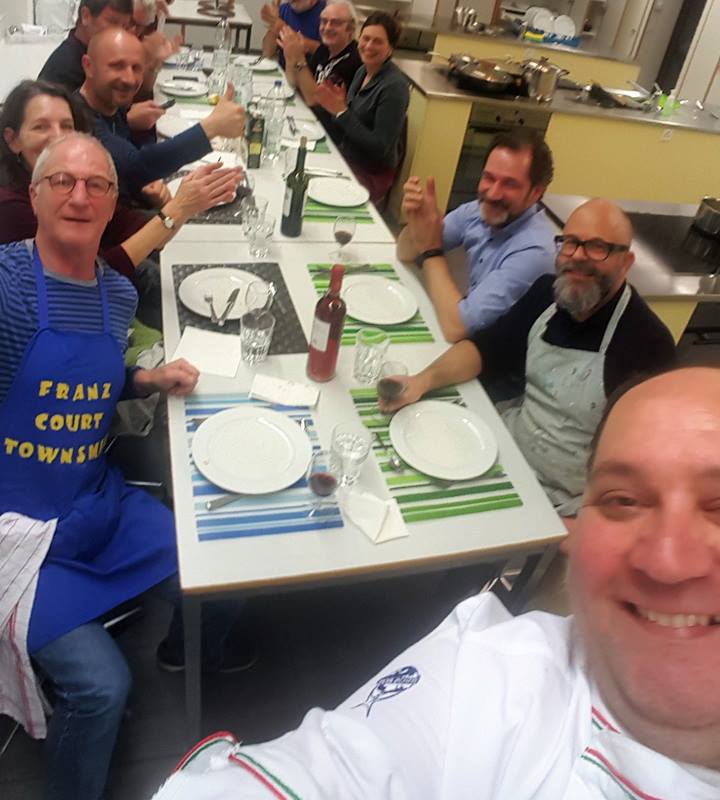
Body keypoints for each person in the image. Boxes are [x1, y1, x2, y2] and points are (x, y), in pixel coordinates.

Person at [151, 366, 720, 799]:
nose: (668, 560)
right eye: (623, 500)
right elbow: (340, 765)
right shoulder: (495, 664)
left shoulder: (634, 337)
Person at [0, 132, 199, 800]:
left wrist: (146, 379)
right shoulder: (6, 286)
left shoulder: (116, 295)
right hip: (16, 534)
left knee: (211, 576)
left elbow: (96, 379)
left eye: (97, 185)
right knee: (103, 686)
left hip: (94, 500)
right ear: (34, 195)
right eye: (62, 181)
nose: (79, 197)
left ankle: (184, 665)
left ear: (115, 204)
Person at [387, 199, 676, 516]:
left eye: (598, 248)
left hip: (566, 503)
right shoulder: (546, 293)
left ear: (626, 262)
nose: (578, 256)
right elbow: (486, 349)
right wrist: (423, 380)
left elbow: (645, 472)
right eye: (570, 243)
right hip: (504, 450)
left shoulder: (648, 344)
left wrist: (577, 528)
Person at [0, 80, 242, 284]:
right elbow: (86, 282)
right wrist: (177, 209)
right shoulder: (11, 209)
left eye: (66, 126)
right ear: (12, 140)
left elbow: (133, 227)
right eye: (41, 127)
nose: (57, 137)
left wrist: (185, 206)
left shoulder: (79, 178)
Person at [396, 130, 556, 342]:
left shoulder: (536, 252)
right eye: (489, 178)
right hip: (473, 332)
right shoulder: (477, 210)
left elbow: (456, 328)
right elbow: (405, 253)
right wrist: (416, 223)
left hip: (504, 352)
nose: (493, 193)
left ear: (536, 193)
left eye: (510, 184)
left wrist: (431, 250)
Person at [76, 28, 246, 200]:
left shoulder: (110, 103)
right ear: (88, 66)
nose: (129, 78)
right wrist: (211, 127)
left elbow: (135, 154)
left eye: (136, 68)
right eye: (117, 66)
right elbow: (136, 166)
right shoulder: (77, 118)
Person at [314, 11, 409, 203]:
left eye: (378, 41)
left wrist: (341, 111)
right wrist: (335, 107)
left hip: (371, 172)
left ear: (391, 48)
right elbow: (347, 122)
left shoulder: (394, 87)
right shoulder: (362, 71)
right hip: (348, 157)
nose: (368, 46)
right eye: (365, 38)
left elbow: (379, 147)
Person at [38, 0, 133, 92]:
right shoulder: (64, 68)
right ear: (85, 16)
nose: (120, 33)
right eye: (113, 22)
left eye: (125, 27)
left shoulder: (96, 54)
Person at [279, 0, 362, 123]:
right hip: (309, 117)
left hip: (328, 126)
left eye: (335, 23)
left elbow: (314, 100)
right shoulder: (325, 49)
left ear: (350, 29)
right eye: (324, 21)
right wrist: (290, 56)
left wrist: (299, 58)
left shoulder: (353, 59)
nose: (327, 27)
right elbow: (294, 82)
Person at [260, 0, 326, 66]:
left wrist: (282, 28)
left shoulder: (325, 12)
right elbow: (267, 52)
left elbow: (325, 52)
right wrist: (273, 27)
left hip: (311, 73)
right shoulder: (283, 10)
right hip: (285, 71)